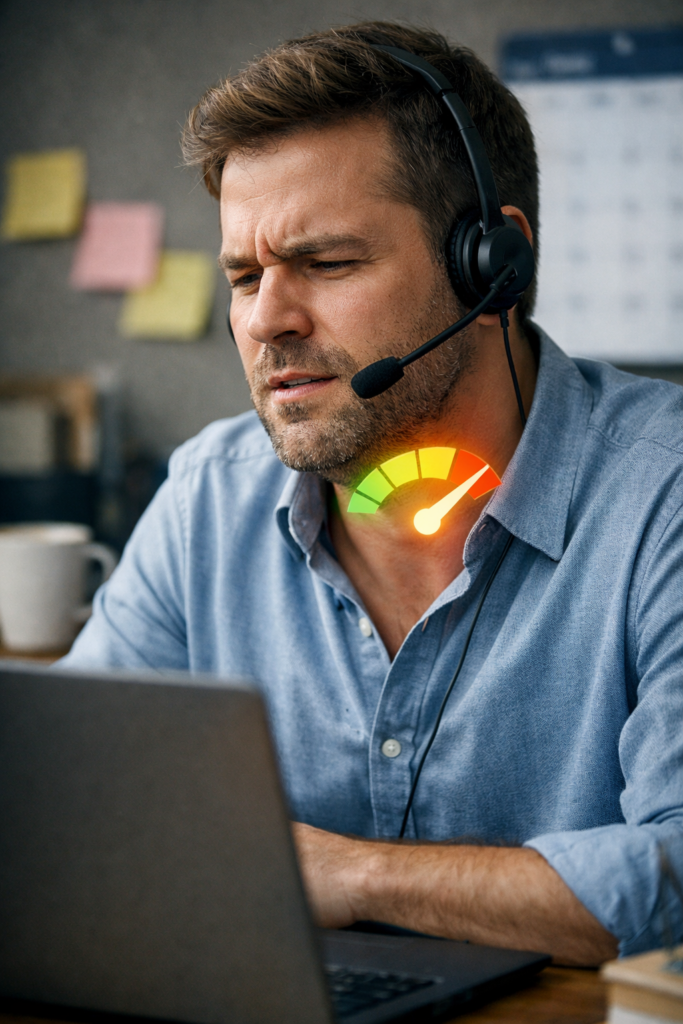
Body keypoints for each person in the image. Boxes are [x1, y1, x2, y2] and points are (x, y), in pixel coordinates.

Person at [61, 22, 683, 965]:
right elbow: (69, 800)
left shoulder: (660, 494)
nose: (266, 321)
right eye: (244, 276)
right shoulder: (208, 500)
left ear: (492, 269)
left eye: (327, 263)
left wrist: (350, 876)